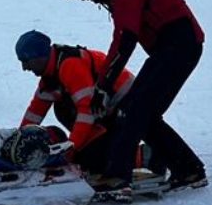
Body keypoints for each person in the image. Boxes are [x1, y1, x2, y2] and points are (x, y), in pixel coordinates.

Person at [59, 0, 206, 201]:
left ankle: (117, 178)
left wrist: (102, 86)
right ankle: (189, 170)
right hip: (171, 47)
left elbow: (124, 41)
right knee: (141, 112)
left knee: (135, 110)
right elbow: (123, 39)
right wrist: (102, 86)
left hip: (180, 45)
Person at [14, 30, 162, 176]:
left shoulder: (70, 65)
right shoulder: (50, 74)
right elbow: (35, 112)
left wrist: (71, 148)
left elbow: (87, 111)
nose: (25, 68)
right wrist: (17, 141)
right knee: (65, 114)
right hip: (107, 109)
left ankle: (146, 156)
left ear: (39, 56)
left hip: (126, 105)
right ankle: (102, 147)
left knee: (91, 160)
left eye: (25, 61)